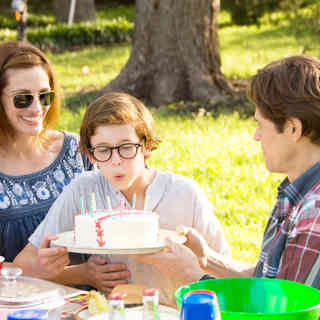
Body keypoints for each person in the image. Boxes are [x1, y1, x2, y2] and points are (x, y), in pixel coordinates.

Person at [14, 92, 231, 305]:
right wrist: (53, 268)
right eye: (104, 150)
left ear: (146, 147)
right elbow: (22, 266)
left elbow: (225, 278)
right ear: (90, 155)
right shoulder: (83, 189)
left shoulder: (185, 194)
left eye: (126, 147)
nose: (116, 160)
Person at [133, 55, 320, 290]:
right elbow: (270, 283)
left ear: (293, 128)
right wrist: (208, 259)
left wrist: (191, 275)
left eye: (260, 124)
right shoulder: (296, 192)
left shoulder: (314, 213)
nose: (256, 136)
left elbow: (282, 312)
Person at [0, 41, 91, 265]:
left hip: (93, 298)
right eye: (22, 98)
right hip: (15, 298)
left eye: (44, 96)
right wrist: (83, 274)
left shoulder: (78, 151)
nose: (36, 108)